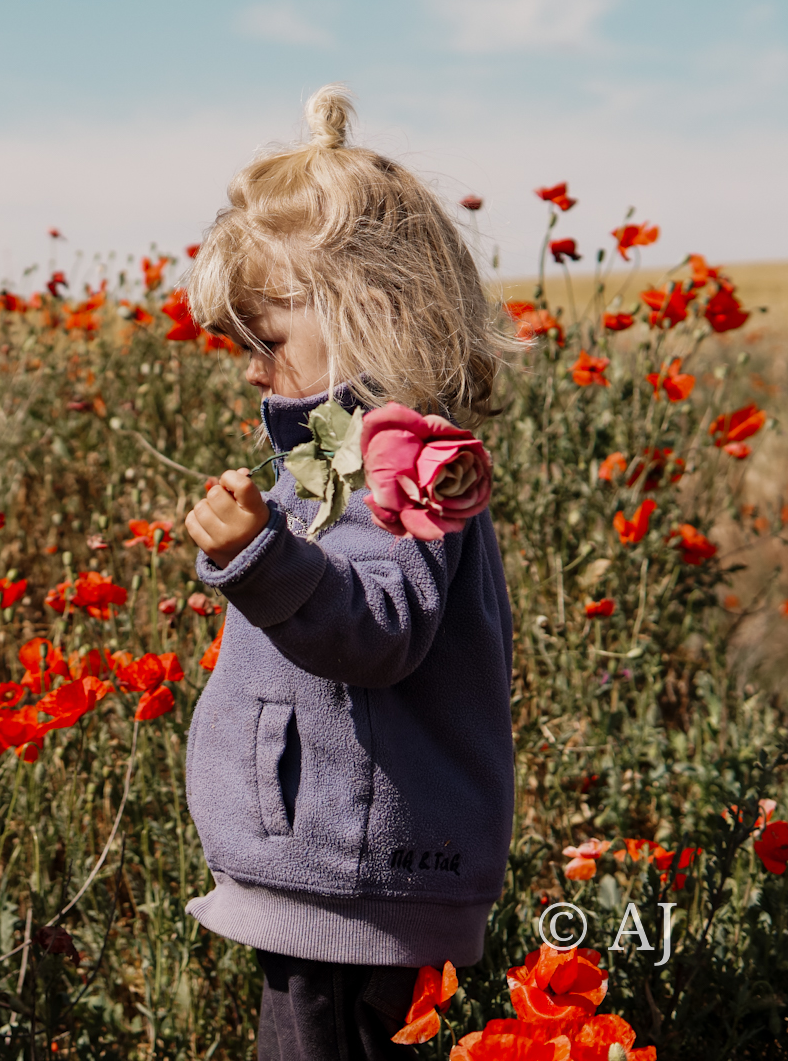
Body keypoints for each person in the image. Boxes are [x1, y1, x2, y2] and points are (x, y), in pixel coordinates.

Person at [178, 86, 518, 1061]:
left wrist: (260, 558)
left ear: (367, 310)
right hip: (328, 869)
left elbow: (382, 628)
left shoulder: (415, 459)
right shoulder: (335, 450)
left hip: (357, 876)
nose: (250, 370)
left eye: (267, 341)